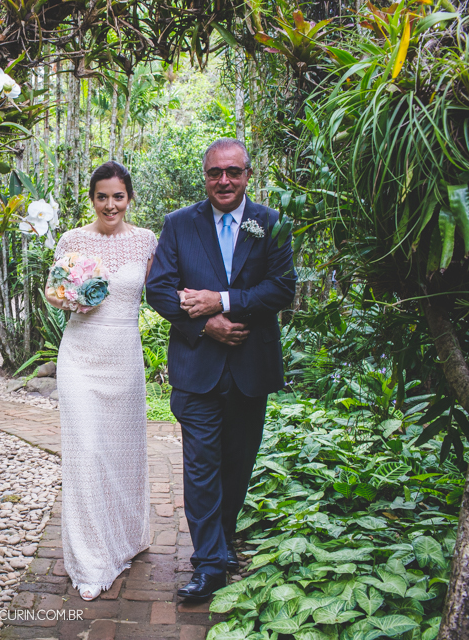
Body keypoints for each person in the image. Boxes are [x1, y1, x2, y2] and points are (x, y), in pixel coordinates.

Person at [146, 138, 296, 600]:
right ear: (205, 177)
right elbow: (159, 290)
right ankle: (209, 563)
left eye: (233, 172)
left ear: (247, 174)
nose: (224, 180)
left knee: (238, 464)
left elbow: (281, 288)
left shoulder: (269, 223)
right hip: (197, 369)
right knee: (201, 465)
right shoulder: (178, 224)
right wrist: (206, 324)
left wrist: (224, 302)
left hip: (251, 367)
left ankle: (223, 538)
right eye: (215, 173)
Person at [46, 161, 158, 602]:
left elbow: (162, 291)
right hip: (79, 357)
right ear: (91, 198)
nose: (110, 204)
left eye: (118, 196)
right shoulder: (72, 240)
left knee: (122, 454)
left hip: (124, 360)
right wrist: (70, 297)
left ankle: (128, 537)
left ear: (129, 197)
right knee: (86, 452)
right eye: (101, 196)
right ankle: (92, 559)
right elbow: (55, 295)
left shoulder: (147, 241)